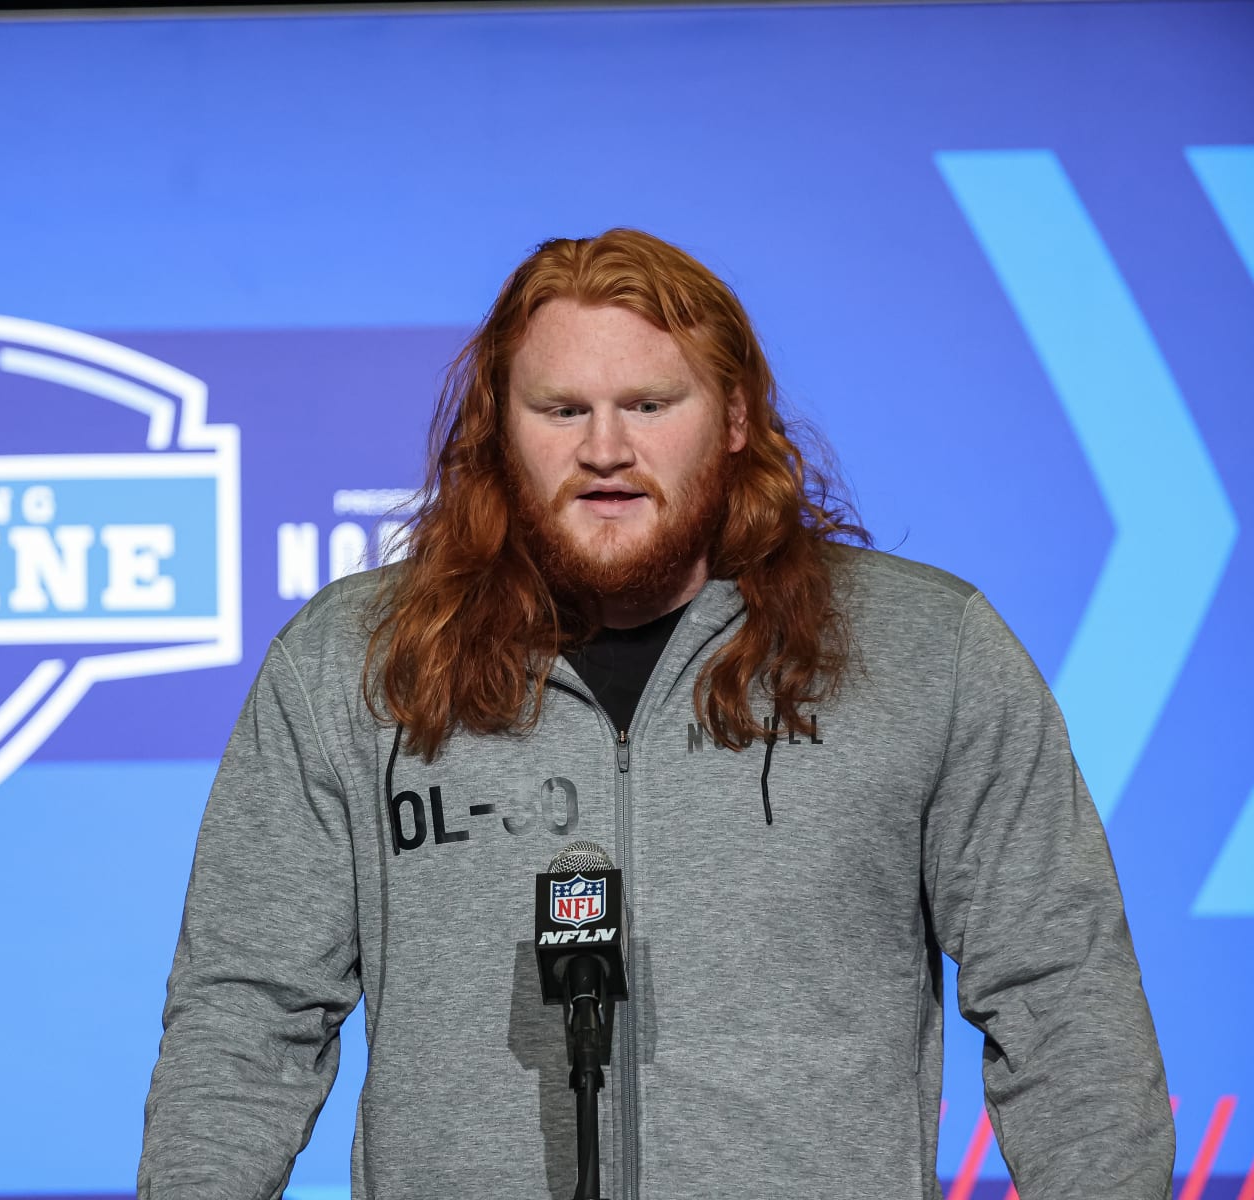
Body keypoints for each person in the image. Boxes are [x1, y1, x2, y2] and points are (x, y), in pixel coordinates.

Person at [138, 230, 1174, 1199]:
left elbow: (1062, 996)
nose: (605, 449)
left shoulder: (923, 651)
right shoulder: (354, 664)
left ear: (733, 418)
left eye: (648, 404)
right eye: (560, 409)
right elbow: (246, 1013)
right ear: (500, 429)